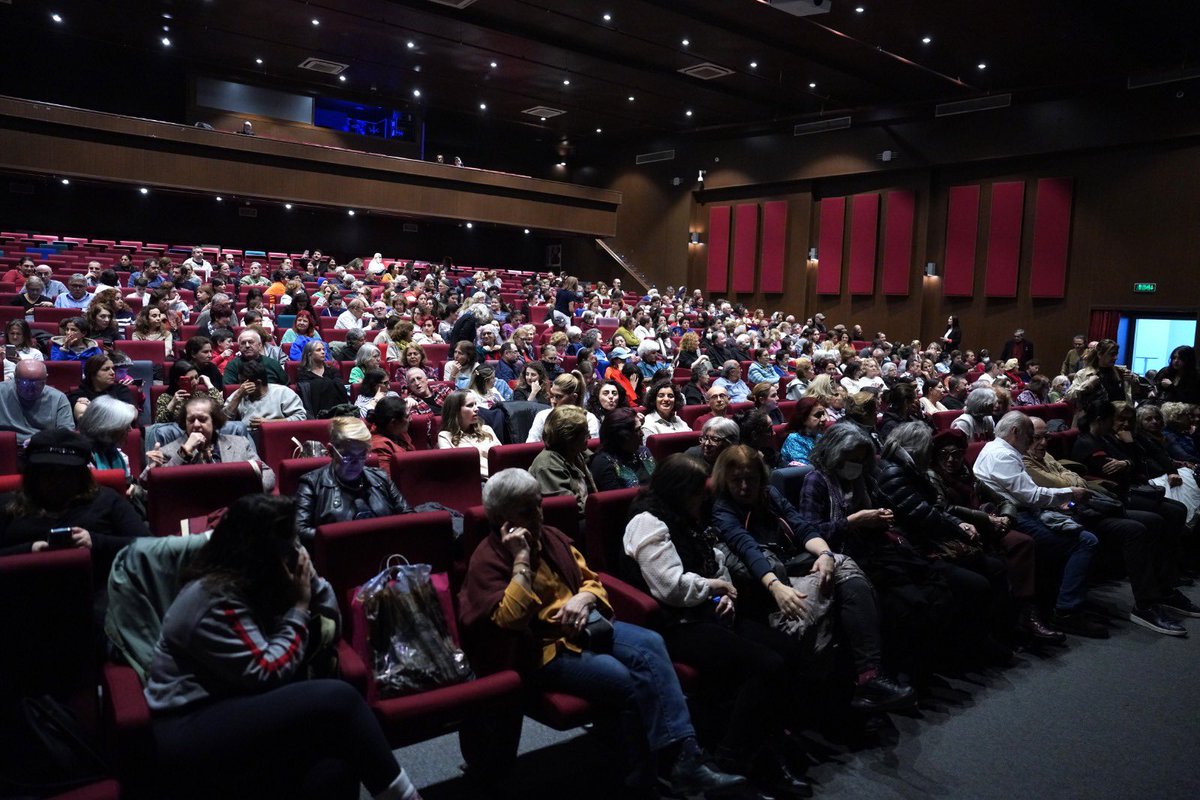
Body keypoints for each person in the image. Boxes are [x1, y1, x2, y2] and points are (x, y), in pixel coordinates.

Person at [458, 469, 744, 797]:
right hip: (544, 648)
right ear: (500, 518)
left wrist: (583, 597)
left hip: (588, 627)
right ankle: (644, 773)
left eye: (538, 505)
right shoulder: (488, 558)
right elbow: (509, 620)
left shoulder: (551, 536)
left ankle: (686, 760)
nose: (537, 515)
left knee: (651, 643)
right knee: (625, 678)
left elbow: (592, 579)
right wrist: (522, 560)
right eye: (526, 511)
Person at [143, 494, 424, 800]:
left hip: (237, 702)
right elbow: (269, 670)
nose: (296, 549)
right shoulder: (215, 597)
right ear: (260, 549)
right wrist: (300, 606)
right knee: (338, 699)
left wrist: (311, 582)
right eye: (289, 542)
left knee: (334, 765)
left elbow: (329, 627)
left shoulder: (258, 583)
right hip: (189, 721)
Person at [620, 454, 812, 795]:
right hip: (674, 625)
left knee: (790, 649)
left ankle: (767, 745)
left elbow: (716, 560)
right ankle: (733, 759)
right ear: (679, 492)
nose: (704, 499)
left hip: (707, 612)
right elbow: (670, 586)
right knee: (767, 666)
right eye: (698, 492)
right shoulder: (648, 523)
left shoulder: (688, 516)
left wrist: (725, 593)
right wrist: (713, 588)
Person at [711, 445, 916, 711]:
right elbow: (747, 549)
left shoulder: (769, 494)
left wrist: (826, 554)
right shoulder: (722, 508)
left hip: (796, 563)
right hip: (768, 579)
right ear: (724, 481)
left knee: (845, 568)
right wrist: (775, 587)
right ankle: (834, 693)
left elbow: (802, 526)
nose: (744, 487)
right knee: (827, 593)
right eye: (736, 480)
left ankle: (870, 676)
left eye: (750, 479)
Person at [876, 423, 1013, 651]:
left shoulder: (908, 469)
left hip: (928, 539)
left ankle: (996, 633)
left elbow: (935, 509)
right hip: (917, 549)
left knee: (995, 567)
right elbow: (925, 515)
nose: (933, 454)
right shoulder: (895, 472)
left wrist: (959, 523)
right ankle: (973, 644)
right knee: (978, 583)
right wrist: (960, 528)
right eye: (930, 448)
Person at [972, 412, 1108, 638]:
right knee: (1085, 542)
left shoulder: (1001, 450)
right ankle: (1067, 611)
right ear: (1015, 432)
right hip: (1014, 516)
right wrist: (1069, 493)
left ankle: (1063, 599)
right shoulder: (1002, 455)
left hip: (1019, 510)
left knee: (1079, 524)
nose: (1032, 441)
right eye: (1029, 435)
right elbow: (1031, 496)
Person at [0, 429, 149, 580]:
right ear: (33, 473)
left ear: (80, 474)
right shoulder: (8, 504)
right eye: (47, 471)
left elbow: (149, 546)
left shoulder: (107, 500)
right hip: (21, 592)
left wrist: (96, 542)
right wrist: (28, 550)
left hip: (100, 592)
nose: (56, 479)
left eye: (65, 472)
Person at [295, 417, 412, 544]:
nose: (356, 463)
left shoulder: (380, 477)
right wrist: (351, 538)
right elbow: (300, 531)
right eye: (347, 456)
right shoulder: (311, 483)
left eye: (362, 455)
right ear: (331, 451)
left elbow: (408, 516)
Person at [529, 406, 597, 514]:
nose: (589, 436)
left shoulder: (579, 453)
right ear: (569, 438)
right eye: (584, 433)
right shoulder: (548, 465)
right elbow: (570, 509)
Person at [437, 391, 499, 480]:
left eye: (475, 404)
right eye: (470, 405)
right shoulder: (445, 436)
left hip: (501, 479)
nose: (476, 408)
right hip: (475, 482)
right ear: (456, 411)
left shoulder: (486, 429)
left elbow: (502, 457)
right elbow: (455, 469)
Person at [590, 407, 655, 491]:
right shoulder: (603, 462)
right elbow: (618, 501)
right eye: (637, 430)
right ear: (621, 436)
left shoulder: (644, 452)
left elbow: (659, 482)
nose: (642, 434)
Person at [224, 361, 306, 428]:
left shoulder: (283, 392)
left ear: (258, 383)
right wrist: (237, 397)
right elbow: (223, 422)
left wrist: (270, 423)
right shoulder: (240, 393)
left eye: (243, 382)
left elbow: (301, 417)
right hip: (246, 436)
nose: (241, 385)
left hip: (276, 433)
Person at [78, 394, 138, 482]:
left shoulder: (120, 455)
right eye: (125, 425)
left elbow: (129, 485)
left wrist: (150, 468)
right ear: (107, 428)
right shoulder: (83, 461)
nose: (130, 429)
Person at [526, 371, 600, 442]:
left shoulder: (589, 419)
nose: (553, 401)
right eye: (552, 395)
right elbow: (530, 447)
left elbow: (592, 450)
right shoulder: (542, 416)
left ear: (574, 397)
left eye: (558, 396)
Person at [66, 353, 138, 421]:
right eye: (106, 369)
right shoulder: (79, 394)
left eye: (112, 368)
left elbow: (132, 414)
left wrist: (93, 409)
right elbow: (83, 417)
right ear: (92, 373)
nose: (112, 372)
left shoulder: (121, 389)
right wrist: (119, 412)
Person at [1066, 338, 1135, 408]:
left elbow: (1132, 396)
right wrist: (1088, 384)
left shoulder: (1121, 373)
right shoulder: (1084, 373)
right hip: (1091, 417)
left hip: (1117, 416)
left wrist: (1133, 382)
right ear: (1099, 354)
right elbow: (1069, 396)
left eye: (1116, 354)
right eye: (1112, 354)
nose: (1116, 358)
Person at [156, 359, 222, 423]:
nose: (195, 382)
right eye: (190, 379)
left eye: (196, 377)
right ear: (177, 381)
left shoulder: (199, 395)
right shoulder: (165, 398)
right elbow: (159, 423)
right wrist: (173, 403)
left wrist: (209, 384)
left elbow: (218, 408)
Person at [368, 397, 414, 481]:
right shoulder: (379, 447)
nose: (411, 419)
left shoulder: (399, 431)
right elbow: (389, 481)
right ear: (393, 422)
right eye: (407, 416)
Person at [223, 328, 288, 385]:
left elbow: (286, 386)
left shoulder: (273, 363)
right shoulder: (233, 365)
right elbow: (229, 390)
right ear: (239, 347)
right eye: (243, 343)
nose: (247, 345)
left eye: (251, 342)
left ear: (260, 345)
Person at [780, 397, 826, 466]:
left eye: (823, 414)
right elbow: (806, 470)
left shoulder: (819, 436)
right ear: (803, 419)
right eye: (818, 415)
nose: (823, 419)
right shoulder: (794, 439)